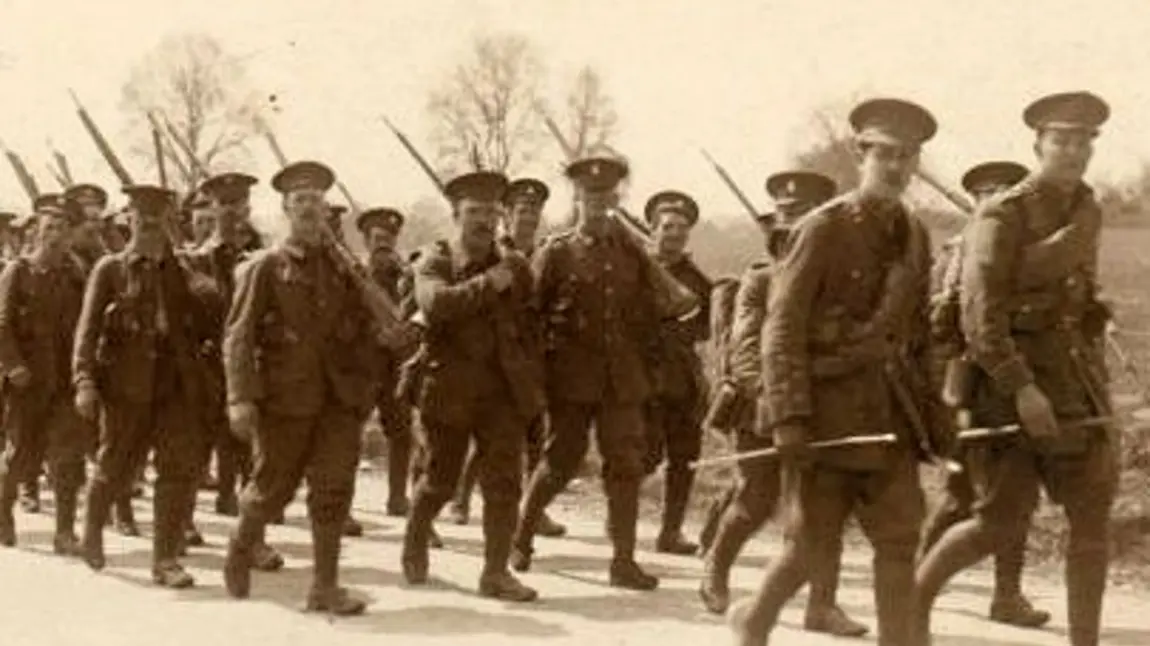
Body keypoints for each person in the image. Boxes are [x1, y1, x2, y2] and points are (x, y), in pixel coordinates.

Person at [730, 98, 939, 646]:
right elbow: (781, 330)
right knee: (808, 550)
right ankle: (752, 625)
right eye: (886, 154)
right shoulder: (821, 229)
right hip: (825, 417)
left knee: (898, 541)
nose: (896, 167)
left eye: (908, 156)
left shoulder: (915, 235)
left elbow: (919, 337)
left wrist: (937, 417)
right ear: (860, 154)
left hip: (889, 413)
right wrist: (789, 419)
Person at [912, 92, 1116, 646]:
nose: (1072, 151)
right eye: (1061, 140)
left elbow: (1078, 300)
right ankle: (910, 607)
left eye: (1082, 141)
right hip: (1009, 387)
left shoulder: (1087, 210)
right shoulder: (1002, 214)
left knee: (1091, 524)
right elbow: (981, 318)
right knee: (997, 524)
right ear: (1038, 145)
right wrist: (1023, 389)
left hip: (1076, 386)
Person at [222, 161, 376, 615]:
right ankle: (241, 545)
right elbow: (239, 335)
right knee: (271, 489)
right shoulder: (265, 266)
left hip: (336, 400)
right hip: (284, 399)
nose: (311, 209)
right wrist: (240, 397)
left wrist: (363, 387)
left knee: (333, 491)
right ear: (287, 209)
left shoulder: (344, 269)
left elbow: (366, 330)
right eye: (301, 201)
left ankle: (324, 587)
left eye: (317, 200)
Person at [511, 156, 664, 591]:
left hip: (622, 379)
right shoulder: (556, 252)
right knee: (561, 460)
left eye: (608, 196)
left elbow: (648, 317)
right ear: (578, 198)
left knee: (625, 466)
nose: (599, 203)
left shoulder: (633, 253)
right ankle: (520, 538)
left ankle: (624, 561)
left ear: (616, 199)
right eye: (591, 196)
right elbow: (530, 317)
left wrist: (647, 374)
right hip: (571, 378)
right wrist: (537, 377)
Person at [917, 159, 1051, 628]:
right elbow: (939, 328)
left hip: (1023, 386)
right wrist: (951, 401)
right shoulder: (960, 252)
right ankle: (913, 587)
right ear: (975, 202)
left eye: (1006, 193)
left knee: (1018, 492)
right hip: (971, 392)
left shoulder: (1031, 251)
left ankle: (1006, 595)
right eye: (987, 194)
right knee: (961, 497)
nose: (996, 202)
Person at [400, 170, 542, 602]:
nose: (484, 220)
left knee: (504, 484)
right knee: (441, 481)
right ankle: (415, 537)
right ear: (456, 215)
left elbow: (531, 321)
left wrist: (531, 385)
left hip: (501, 393)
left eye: (490, 212)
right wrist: (486, 283)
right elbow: (435, 304)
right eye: (474, 212)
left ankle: (495, 573)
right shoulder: (436, 259)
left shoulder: (515, 265)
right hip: (450, 391)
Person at [74, 184, 208, 588]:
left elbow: (207, 318)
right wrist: (83, 381)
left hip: (174, 386)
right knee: (115, 466)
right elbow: (88, 329)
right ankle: (93, 530)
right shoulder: (110, 269)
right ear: (128, 221)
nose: (149, 230)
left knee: (175, 471)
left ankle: (165, 559)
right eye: (141, 221)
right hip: (125, 388)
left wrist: (197, 279)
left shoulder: (182, 269)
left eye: (157, 222)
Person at [449, 177, 568, 539]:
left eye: (534, 210)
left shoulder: (547, 251)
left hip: (537, 352)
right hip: (496, 354)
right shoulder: (495, 252)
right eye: (521, 209)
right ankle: (461, 497)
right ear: (508, 214)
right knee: (491, 434)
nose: (528, 216)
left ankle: (533, 508)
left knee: (536, 434)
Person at [0, 196, 89, 554]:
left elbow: (86, 323)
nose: (57, 236)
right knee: (20, 455)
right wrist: (13, 365)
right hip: (26, 383)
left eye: (64, 229)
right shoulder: (17, 271)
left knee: (67, 458)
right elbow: (1, 324)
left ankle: (65, 532)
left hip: (63, 381)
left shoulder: (74, 275)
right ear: (36, 233)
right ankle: (4, 514)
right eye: (49, 228)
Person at [641, 190, 713, 555]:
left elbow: (704, 329)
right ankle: (618, 516)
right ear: (652, 230)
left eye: (682, 228)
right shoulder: (635, 270)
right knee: (640, 457)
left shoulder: (697, 280)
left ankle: (670, 531)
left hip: (682, 382)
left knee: (684, 459)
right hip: (642, 380)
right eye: (667, 227)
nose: (674, 235)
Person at [357, 207, 419, 518]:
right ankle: (343, 502)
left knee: (401, 431)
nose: (385, 246)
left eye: (389, 240)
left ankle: (397, 498)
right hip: (363, 366)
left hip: (396, 367)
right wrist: (373, 335)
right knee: (350, 432)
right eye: (378, 240)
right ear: (367, 242)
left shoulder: (406, 275)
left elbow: (416, 311)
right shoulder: (354, 275)